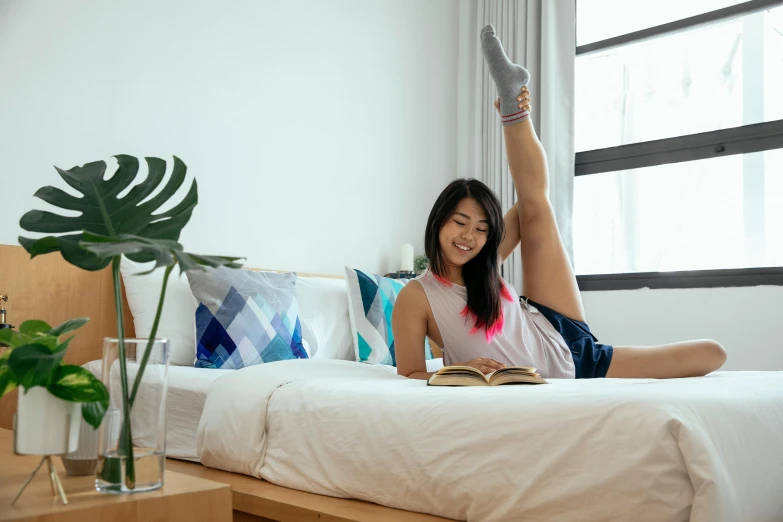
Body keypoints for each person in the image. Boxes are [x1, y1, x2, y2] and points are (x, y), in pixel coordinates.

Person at [393, 25, 727, 380]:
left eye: (481, 228)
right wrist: (462, 369)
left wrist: (515, 122)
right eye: (460, 223)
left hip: (551, 322)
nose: (469, 237)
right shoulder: (416, 298)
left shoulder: (485, 260)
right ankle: (513, 107)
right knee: (711, 355)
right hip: (579, 364)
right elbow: (411, 373)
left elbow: (529, 198)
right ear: (439, 222)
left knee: (535, 205)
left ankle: (512, 102)